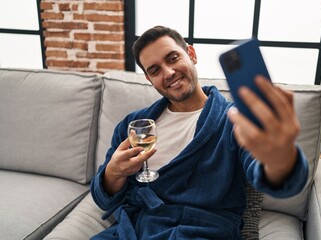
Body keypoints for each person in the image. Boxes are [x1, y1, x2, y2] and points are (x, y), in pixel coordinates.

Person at [90, 25, 308, 239]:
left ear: (191, 54)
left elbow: (274, 178)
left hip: (204, 230)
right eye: (155, 70)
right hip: (137, 228)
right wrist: (114, 172)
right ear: (149, 79)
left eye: (173, 58)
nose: (168, 73)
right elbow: (103, 200)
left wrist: (282, 158)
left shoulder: (233, 120)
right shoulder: (135, 124)